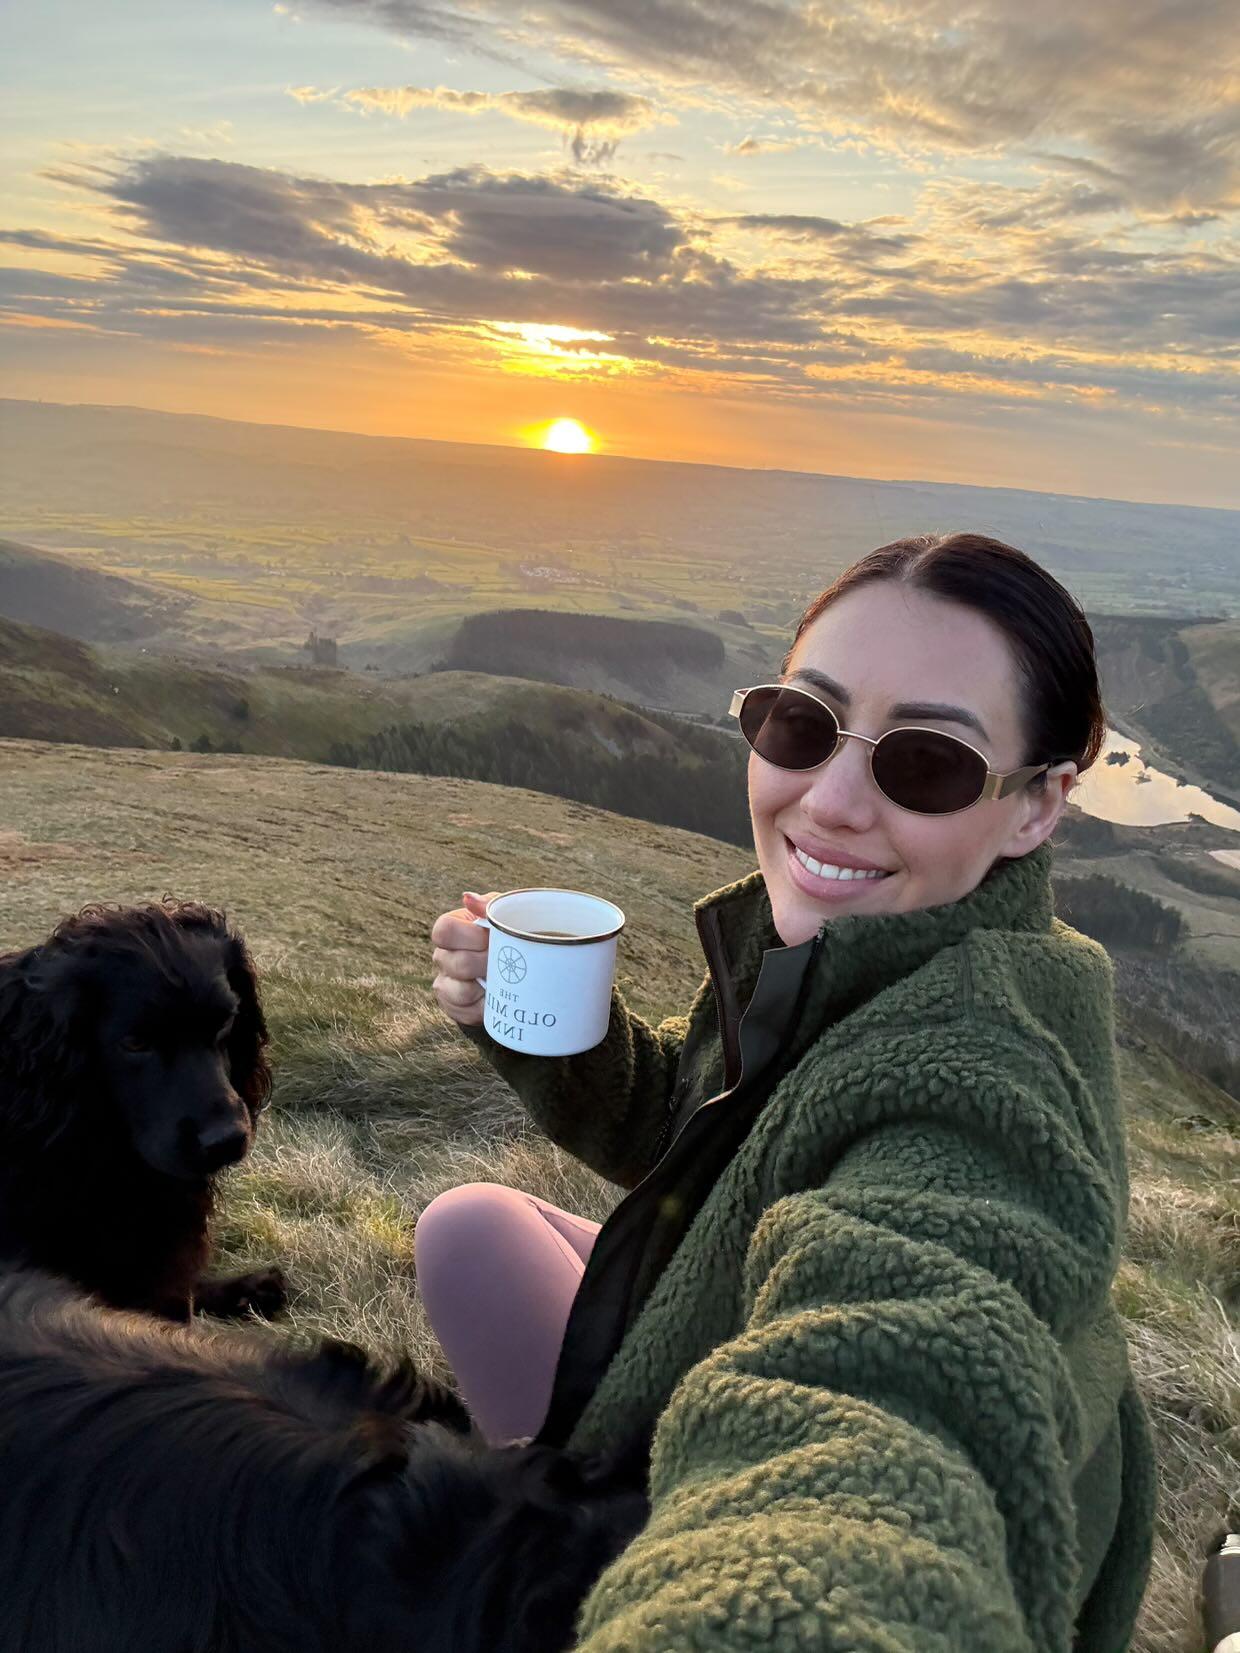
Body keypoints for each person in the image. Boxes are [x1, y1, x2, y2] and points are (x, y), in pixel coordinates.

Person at [422, 533, 1158, 1652]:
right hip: (731, 1323)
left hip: (768, 1481)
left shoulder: (984, 1071)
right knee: (469, 1227)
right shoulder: (833, 946)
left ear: (1037, 806)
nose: (830, 801)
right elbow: (692, 1127)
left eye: (925, 765)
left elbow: (907, 1389)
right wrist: (529, 1032)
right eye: (801, 726)